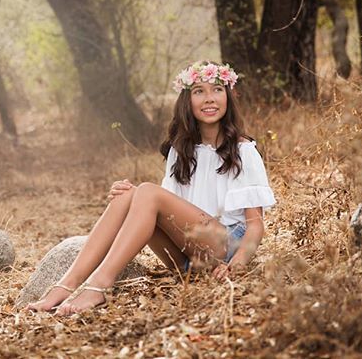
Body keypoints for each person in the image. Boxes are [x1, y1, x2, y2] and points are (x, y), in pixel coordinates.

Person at [26, 61, 277, 316]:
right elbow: (164, 208)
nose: (209, 99)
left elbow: (256, 226)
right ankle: (65, 286)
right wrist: (128, 196)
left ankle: (99, 286)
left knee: (146, 192)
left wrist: (237, 264)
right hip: (185, 260)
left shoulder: (244, 151)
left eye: (216, 90)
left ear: (228, 97)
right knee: (129, 195)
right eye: (199, 91)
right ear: (186, 101)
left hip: (225, 249)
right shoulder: (180, 151)